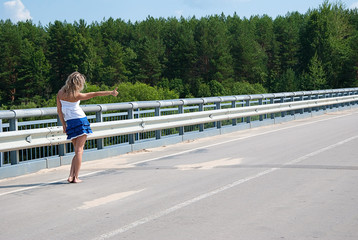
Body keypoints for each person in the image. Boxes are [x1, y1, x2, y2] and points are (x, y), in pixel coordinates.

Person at [57, 72, 118, 183]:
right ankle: (76, 177)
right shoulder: (77, 95)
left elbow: (59, 111)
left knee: (77, 150)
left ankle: (71, 176)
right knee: (80, 150)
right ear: (79, 84)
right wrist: (111, 92)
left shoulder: (60, 93)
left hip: (70, 122)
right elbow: (95, 94)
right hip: (80, 121)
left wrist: (64, 125)